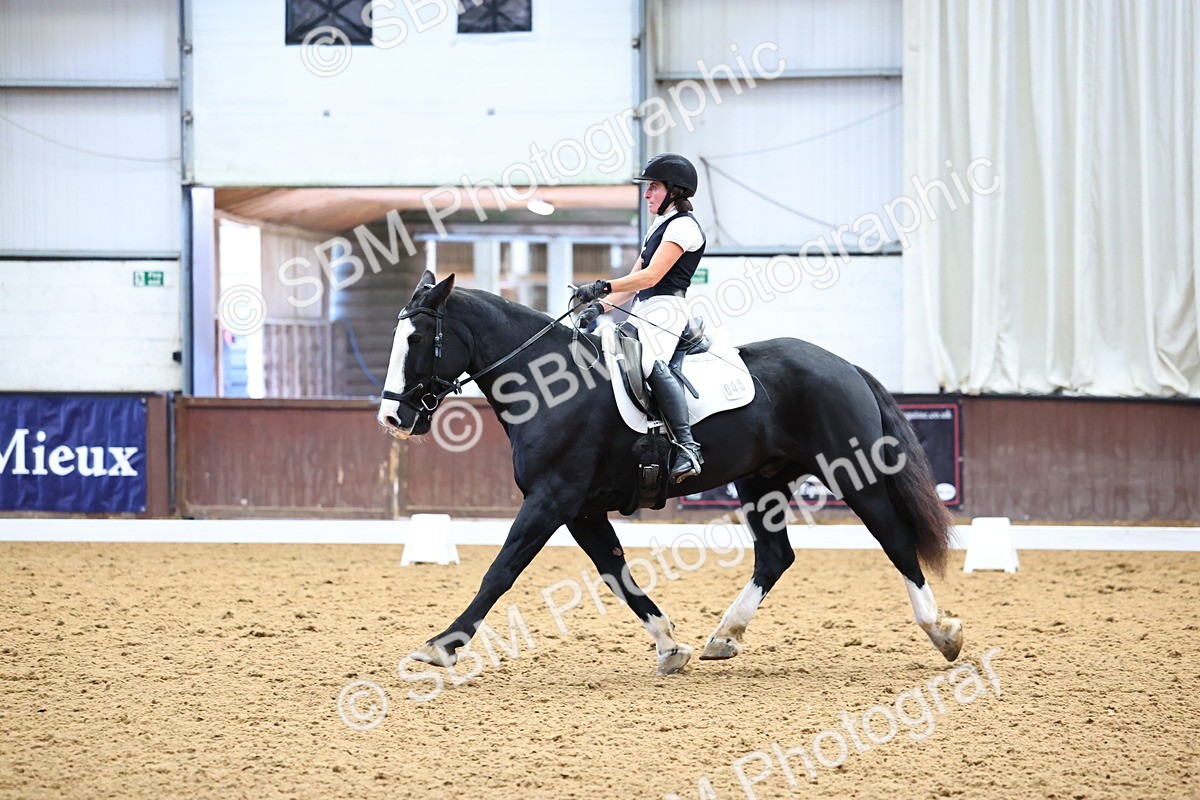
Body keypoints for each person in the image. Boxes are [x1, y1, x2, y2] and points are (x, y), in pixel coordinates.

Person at [573, 152, 706, 483]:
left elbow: (650, 278)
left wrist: (602, 286)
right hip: (645, 308)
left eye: (654, 188)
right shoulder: (659, 227)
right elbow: (632, 283)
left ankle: (688, 447)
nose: (647, 194)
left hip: (667, 309)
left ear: (675, 191)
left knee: (647, 362)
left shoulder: (684, 227)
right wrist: (599, 307)